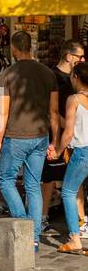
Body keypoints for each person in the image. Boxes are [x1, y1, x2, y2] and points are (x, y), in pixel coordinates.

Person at [0, 30, 58, 252]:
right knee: (34, 185)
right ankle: (33, 238)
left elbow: (3, 112)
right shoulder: (47, 73)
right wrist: (55, 141)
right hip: (41, 136)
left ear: (13, 48)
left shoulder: (8, 74)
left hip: (16, 136)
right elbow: (53, 111)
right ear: (30, 46)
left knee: (6, 179)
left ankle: (22, 224)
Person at [42, 40, 85, 238]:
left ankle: (79, 221)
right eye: (79, 56)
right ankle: (43, 217)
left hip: (75, 136)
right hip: (58, 133)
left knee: (74, 181)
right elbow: (50, 108)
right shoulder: (53, 76)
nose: (82, 60)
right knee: (50, 177)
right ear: (69, 56)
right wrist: (65, 127)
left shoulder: (80, 78)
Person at [54, 61, 88, 253]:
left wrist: (58, 150)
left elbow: (68, 133)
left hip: (83, 151)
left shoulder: (73, 99)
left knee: (68, 192)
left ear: (76, 77)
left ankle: (75, 238)